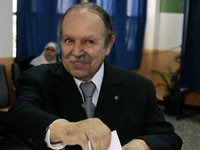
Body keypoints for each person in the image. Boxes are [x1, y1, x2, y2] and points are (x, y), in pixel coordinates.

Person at [8, 2, 182, 150]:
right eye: (69, 40)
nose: (76, 52)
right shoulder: (37, 78)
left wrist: (143, 144)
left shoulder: (139, 87)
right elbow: (20, 116)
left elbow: (168, 137)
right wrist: (66, 130)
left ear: (108, 44)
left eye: (89, 41)